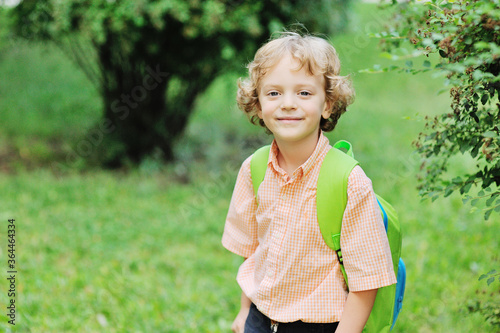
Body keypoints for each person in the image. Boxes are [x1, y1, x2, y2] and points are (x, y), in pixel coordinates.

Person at [221, 31, 396, 333]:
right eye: (274, 93)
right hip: (261, 319)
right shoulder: (255, 169)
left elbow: (366, 281)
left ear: (327, 104)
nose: (288, 104)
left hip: (320, 325)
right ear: (259, 105)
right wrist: (244, 310)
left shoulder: (348, 181)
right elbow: (254, 252)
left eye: (304, 93)